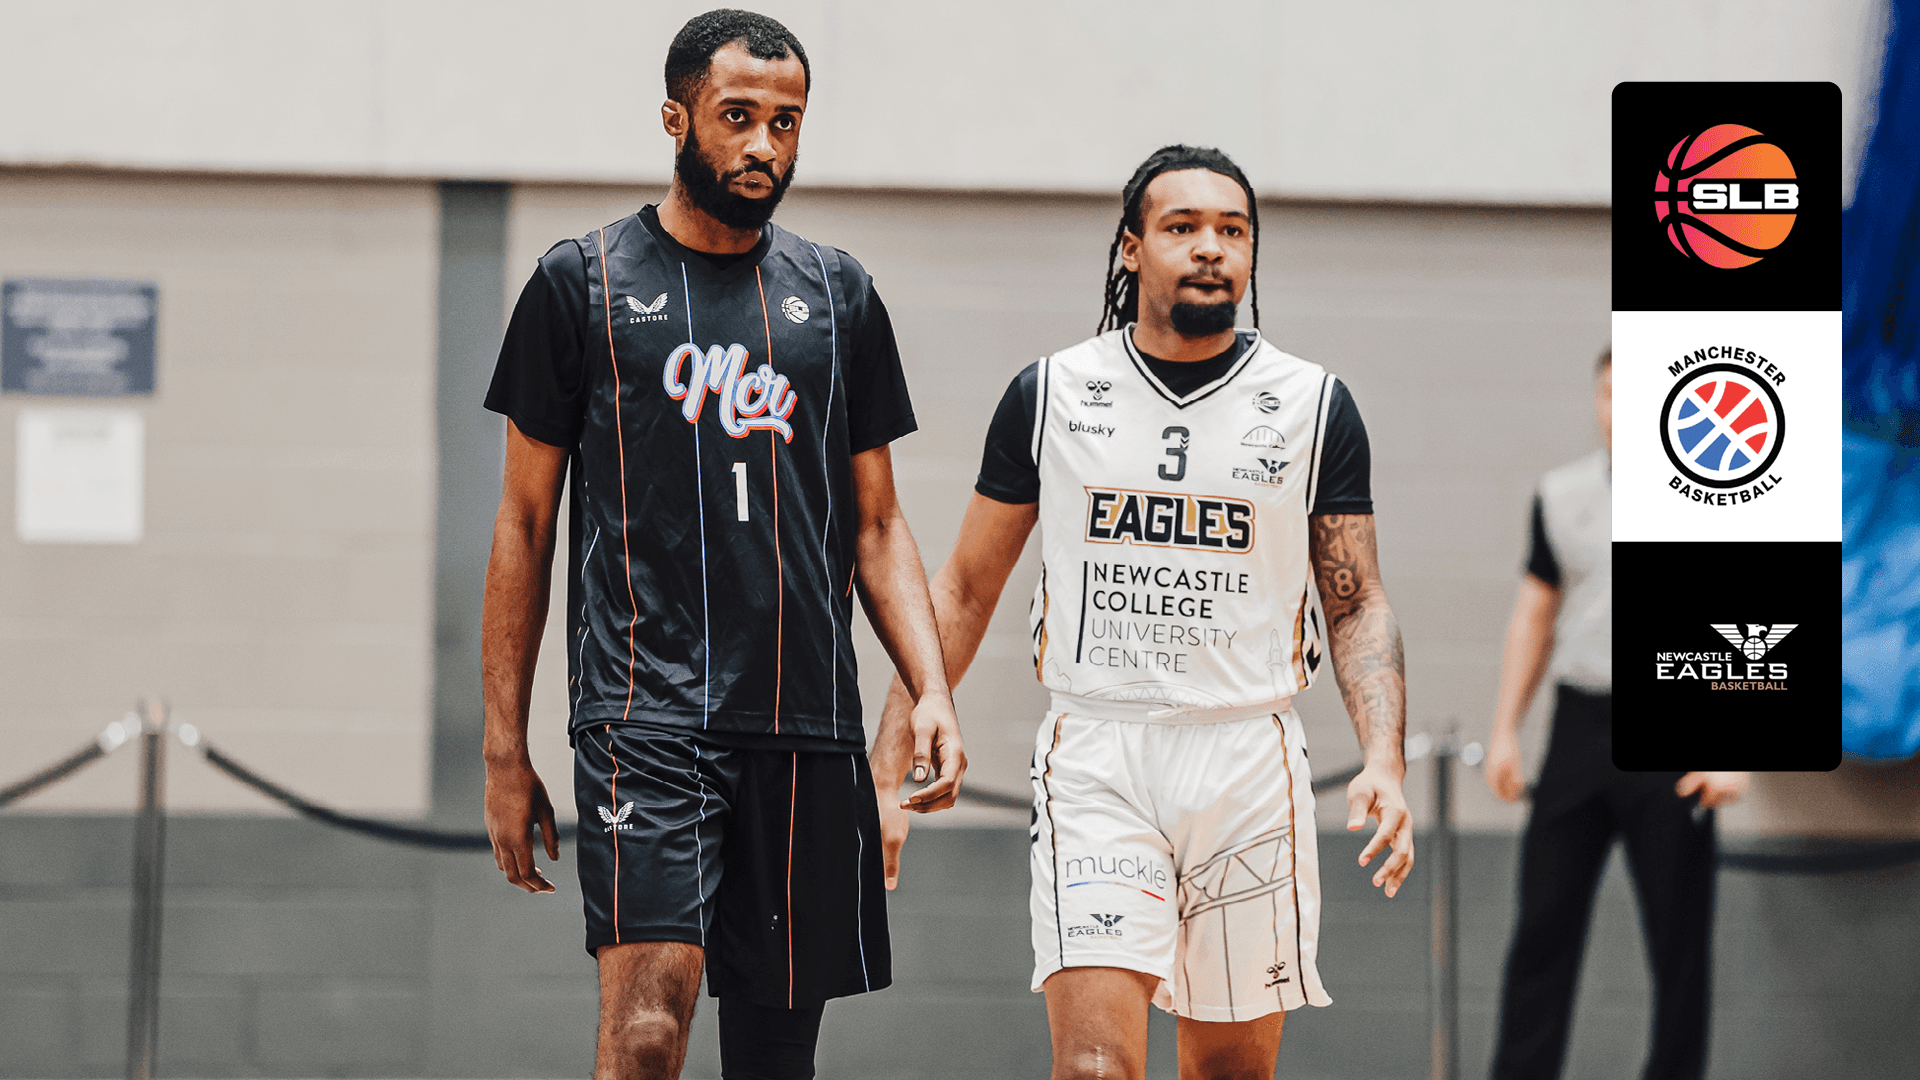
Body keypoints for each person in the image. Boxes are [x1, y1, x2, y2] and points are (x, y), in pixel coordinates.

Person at [477, 11, 965, 1079]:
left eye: (785, 123)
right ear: (675, 118)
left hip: (805, 720)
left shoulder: (838, 294)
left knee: (776, 1060)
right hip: (644, 715)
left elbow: (877, 523)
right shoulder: (581, 283)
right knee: (648, 1030)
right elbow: (524, 524)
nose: (763, 145)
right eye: (737, 116)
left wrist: (930, 687)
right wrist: (504, 749)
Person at [875, 145, 1415, 1080]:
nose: (1211, 247)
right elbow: (961, 586)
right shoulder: (1051, 393)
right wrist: (889, 768)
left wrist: (1384, 758)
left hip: (1248, 758)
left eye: (1232, 230)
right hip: (1099, 754)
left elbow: (1357, 599)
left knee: (1230, 1073)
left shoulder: (1313, 405)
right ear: (1131, 248)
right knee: (1095, 1068)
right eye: (1182, 227)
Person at [1484, 349, 1748, 1080]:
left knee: (1679, 942)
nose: (1618, 410)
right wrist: (1505, 729)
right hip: (1579, 728)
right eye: (1608, 394)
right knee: (1542, 925)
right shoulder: (1559, 494)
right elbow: (1534, 615)